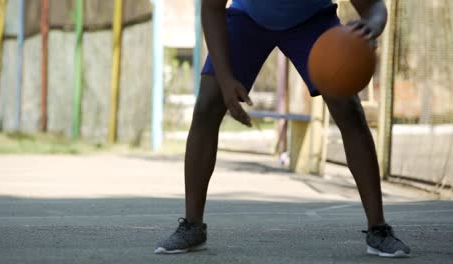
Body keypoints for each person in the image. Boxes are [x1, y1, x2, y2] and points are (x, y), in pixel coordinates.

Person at [155, 0, 411, 257]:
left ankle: (378, 229)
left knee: (349, 110)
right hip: (248, 18)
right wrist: (224, 79)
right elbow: (212, 8)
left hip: (312, 20)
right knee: (206, 106)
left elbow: (374, 7)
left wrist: (371, 26)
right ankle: (192, 225)